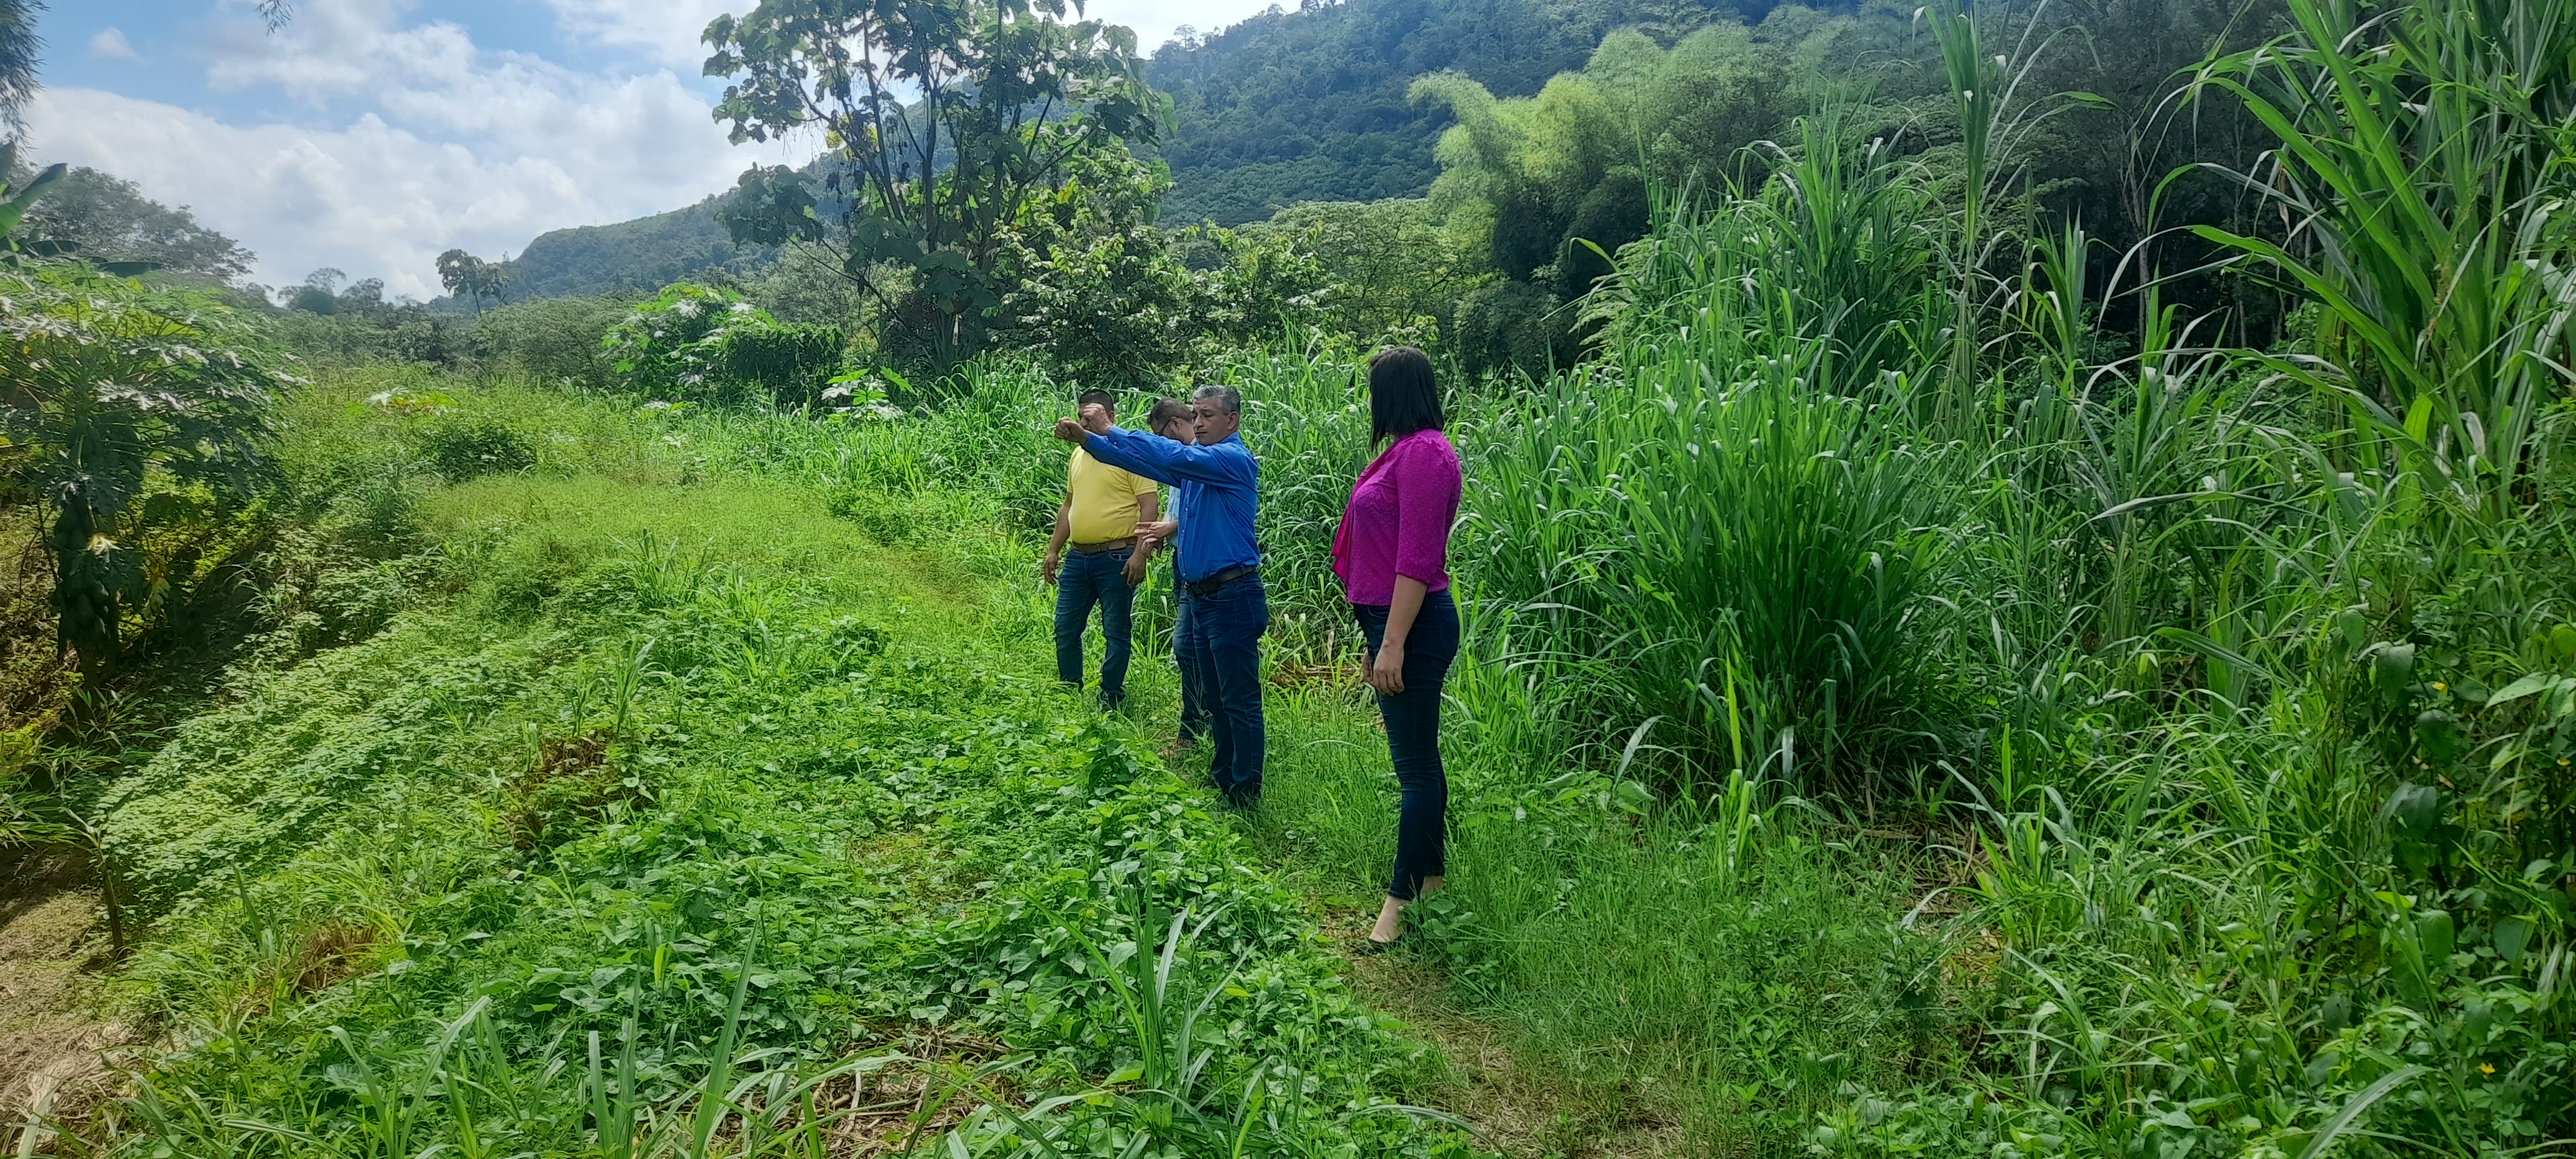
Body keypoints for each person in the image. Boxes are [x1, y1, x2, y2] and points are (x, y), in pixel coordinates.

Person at [1054, 385, 1266, 807]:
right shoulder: (1201, 466)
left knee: (1238, 700)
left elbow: (1170, 456)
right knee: (1216, 697)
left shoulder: (1229, 460)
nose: (1198, 423)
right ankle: (1223, 779)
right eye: (1196, 414)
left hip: (1233, 594)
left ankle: (1244, 793)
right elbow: (1141, 460)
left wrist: (1111, 429)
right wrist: (1090, 440)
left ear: (1233, 420)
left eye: (1207, 415)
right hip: (1204, 595)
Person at [1329, 346, 1462, 948]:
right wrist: (1377, 639)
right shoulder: (1402, 452)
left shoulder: (1427, 453)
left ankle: (1399, 903)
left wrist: (1393, 643)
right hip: (1392, 623)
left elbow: (1417, 560)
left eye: (1374, 391)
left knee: (1414, 770)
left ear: (1392, 394)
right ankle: (1431, 882)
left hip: (1415, 623)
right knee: (1420, 761)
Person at [1042, 389, 1159, 710]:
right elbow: (1069, 505)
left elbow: (1149, 505)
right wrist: (1053, 549)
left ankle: (1110, 696)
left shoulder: (1127, 454)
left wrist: (1140, 553)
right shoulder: (1078, 455)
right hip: (1078, 556)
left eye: (1092, 417)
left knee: (1116, 631)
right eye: (1082, 416)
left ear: (1111, 417)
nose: (1085, 423)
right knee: (1065, 626)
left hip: (1117, 556)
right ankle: (1068, 690)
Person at [1128, 397, 1210, 749]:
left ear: (1175, 424)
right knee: (1189, 647)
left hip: (1204, 566)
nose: (1162, 443)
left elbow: (1202, 514)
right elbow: (1180, 509)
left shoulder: (1201, 460)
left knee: (1189, 646)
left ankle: (1196, 726)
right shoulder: (1182, 461)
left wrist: (1167, 528)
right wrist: (1164, 531)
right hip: (1183, 560)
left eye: (1161, 435)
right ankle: (1197, 723)